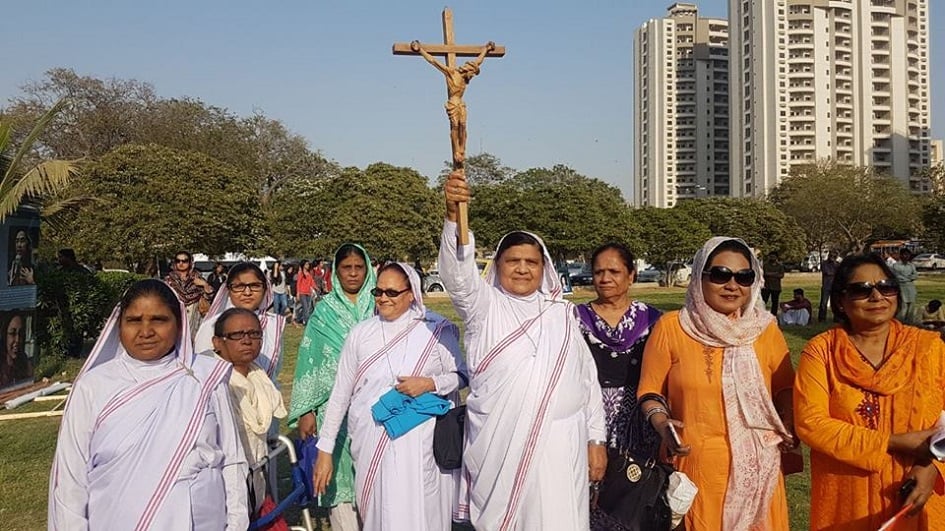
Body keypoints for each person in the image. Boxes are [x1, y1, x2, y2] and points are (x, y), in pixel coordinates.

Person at [440, 170, 606, 530]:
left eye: (531, 262)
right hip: (500, 448)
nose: (522, 268)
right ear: (497, 266)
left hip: (563, 445)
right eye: (513, 260)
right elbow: (457, 276)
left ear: (543, 268)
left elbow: (587, 381)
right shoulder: (484, 307)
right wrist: (453, 215)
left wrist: (596, 437)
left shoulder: (561, 314)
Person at [48, 279, 248, 529]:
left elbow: (232, 459)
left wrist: (237, 524)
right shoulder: (93, 387)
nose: (145, 332)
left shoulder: (205, 377)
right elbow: (70, 477)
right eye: (133, 320)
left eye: (159, 320)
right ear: (118, 325)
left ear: (179, 325)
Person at [637, 237, 796, 530]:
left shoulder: (765, 330)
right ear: (700, 276)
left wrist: (788, 419)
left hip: (759, 468)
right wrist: (663, 425)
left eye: (744, 277)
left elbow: (785, 388)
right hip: (697, 467)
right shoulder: (673, 327)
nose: (732, 285)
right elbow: (649, 392)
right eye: (721, 275)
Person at [794, 253, 945, 530]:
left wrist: (931, 467)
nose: (876, 296)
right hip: (845, 497)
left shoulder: (929, 349)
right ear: (840, 300)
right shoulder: (821, 351)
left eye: (885, 287)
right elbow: (811, 424)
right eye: (860, 290)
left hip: (918, 492)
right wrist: (893, 442)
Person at [312, 262, 467, 530]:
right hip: (371, 441)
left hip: (422, 449)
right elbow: (341, 393)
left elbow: (464, 375)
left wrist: (430, 383)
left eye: (392, 292)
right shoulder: (361, 334)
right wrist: (325, 451)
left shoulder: (437, 330)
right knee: (378, 513)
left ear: (412, 294)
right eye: (378, 291)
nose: (383, 298)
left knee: (423, 513)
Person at [288, 244, 377, 531]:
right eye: (346, 268)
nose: (353, 273)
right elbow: (309, 359)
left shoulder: (380, 305)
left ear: (367, 269)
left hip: (376, 405)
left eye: (358, 267)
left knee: (374, 472)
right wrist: (307, 410)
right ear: (335, 273)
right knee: (337, 471)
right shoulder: (323, 311)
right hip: (332, 409)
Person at [577, 243, 663, 530]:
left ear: (632, 275)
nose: (605, 278)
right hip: (589, 420)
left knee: (635, 496)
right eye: (599, 271)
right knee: (588, 497)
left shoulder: (655, 321)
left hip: (639, 422)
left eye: (614, 271)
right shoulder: (573, 320)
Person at [211, 307, 287, 516]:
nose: (247, 340)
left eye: (254, 334)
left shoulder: (259, 377)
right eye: (236, 335)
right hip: (224, 488)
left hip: (255, 477)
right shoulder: (211, 386)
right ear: (217, 342)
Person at [194, 262, 284, 384]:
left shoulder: (274, 325)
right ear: (228, 290)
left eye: (255, 286)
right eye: (239, 286)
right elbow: (202, 369)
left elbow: (275, 369)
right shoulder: (213, 325)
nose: (247, 292)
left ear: (265, 289)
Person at [411, 40, 496, 166]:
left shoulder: (465, 77)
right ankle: (456, 149)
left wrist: (486, 49)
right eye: (470, 70)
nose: (471, 75)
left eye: (471, 71)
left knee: (463, 125)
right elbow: (434, 62)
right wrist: (420, 50)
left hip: (461, 103)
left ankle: (462, 149)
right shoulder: (451, 73)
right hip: (453, 102)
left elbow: (478, 61)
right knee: (455, 125)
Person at [164, 251, 213, 337]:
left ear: (190, 262)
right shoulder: (169, 280)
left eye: (185, 261)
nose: (181, 263)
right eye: (178, 261)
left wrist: (204, 285)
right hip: (176, 316)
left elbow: (209, 297)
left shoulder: (198, 278)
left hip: (194, 316)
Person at [1, 313, 31, 387]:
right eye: (12, 333)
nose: (17, 340)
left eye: (20, 334)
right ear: (5, 336)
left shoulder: (25, 362)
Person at [890, 247, 918, 324]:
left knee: (911, 306)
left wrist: (909, 278)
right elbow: (897, 276)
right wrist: (908, 278)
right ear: (901, 255)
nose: (906, 256)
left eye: (908, 255)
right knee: (903, 306)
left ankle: (910, 324)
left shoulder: (911, 265)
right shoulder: (896, 265)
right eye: (905, 254)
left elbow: (915, 275)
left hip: (911, 288)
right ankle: (899, 323)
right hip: (902, 287)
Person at [761, 252, 785, 317]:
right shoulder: (766, 265)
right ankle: (761, 314)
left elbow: (781, 275)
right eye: (770, 257)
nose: (772, 258)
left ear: (776, 257)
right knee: (763, 301)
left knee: (775, 302)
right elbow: (765, 274)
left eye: (773, 257)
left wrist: (771, 274)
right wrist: (775, 273)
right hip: (766, 287)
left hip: (776, 287)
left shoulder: (780, 266)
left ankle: (773, 315)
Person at [819, 251, 839, 322]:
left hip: (834, 286)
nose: (832, 258)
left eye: (834, 256)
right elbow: (827, 272)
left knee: (835, 303)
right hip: (826, 286)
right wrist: (834, 273)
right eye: (831, 256)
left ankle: (836, 318)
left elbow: (840, 273)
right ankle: (822, 318)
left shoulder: (837, 264)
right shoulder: (824, 263)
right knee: (823, 303)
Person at [296, 260, 316, 325]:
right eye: (306, 264)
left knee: (308, 308)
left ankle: (303, 319)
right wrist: (298, 293)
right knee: (305, 307)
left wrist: (316, 288)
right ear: (303, 265)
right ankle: (307, 322)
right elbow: (298, 284)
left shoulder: (309, 273)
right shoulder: (300, 273)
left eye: (308, 264)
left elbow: (312, 282)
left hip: (308, 293)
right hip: (302, 293)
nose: (308, 266)